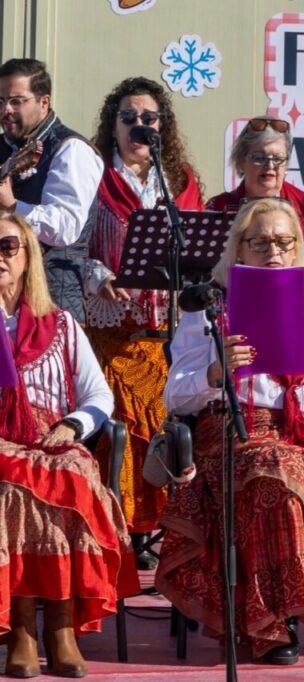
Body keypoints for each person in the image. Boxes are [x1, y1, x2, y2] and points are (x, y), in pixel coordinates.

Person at [154, 199, 304, 664]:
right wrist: (217, 374)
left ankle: (297, 608)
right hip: (233, 431)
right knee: (273, 473)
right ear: (239, 248)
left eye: (284, 242)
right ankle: (269, 622)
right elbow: (175, 396)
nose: (274, 252)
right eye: (260, 243)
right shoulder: (209, 307)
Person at [0, 211, 139, 678]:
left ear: (27, 257)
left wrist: (72, 426)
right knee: (13, 487)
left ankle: (61, 627)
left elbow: (99, 394)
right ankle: (21, 628)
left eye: (7, 248)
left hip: (53, 433)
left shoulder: (60, 324)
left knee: (73, 477)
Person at [83, 77, 204, 559]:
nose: (139, 125)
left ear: (162, 126)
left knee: (173, 423)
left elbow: (196, 246)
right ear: (112, 125)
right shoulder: (94, 176)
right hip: (112, 331)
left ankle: (170, 528)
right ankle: (124, 528)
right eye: (128, 117)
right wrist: (98, 275)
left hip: (170, 333)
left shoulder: (180, 182)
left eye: (149, 118)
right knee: (123, 419)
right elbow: (73, 247)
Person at [0, 58, 104, 322]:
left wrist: (13, 206)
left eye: (16, 101)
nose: (6, 110)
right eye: (0, 101)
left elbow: (66, 227)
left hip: (51, 299)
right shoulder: (4, 147)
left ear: (44, 102)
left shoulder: (70, 149)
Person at [206, 115, 304, 257]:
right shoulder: (218, 209)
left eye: (278, 159)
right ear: (240, 161)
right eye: (259, 158)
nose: (270, 166)